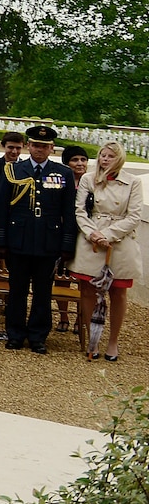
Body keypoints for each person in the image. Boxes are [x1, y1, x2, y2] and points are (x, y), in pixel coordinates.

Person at [0, 123, 75, 355]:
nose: (39, 150)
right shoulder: (13, 171)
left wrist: (67, 243)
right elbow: (1, 207)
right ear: (28, 146)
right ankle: (15, 334)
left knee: (43, 290)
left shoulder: (64, 174)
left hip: (48, 240)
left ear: (52, 149)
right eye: (36, 145)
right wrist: (1, 240)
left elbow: (68, 212)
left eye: (44, 146)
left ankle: (38, 336)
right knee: (17, 289)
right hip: (18, 238)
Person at [72, 142, 142, 362]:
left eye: (110, 156)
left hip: (119, 242)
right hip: (91, 238)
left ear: (119, 158)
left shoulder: (133, 182)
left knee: (118, 292)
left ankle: (113, 342)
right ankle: (93, 340)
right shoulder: (88, 179)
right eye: (102, 155)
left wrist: (108, 235)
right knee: (87, 289)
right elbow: (80, 210)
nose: (104, 159)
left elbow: (134, 215)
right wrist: (93, 234)